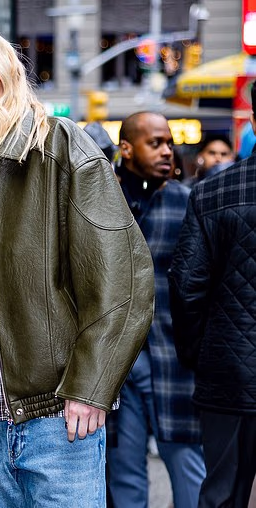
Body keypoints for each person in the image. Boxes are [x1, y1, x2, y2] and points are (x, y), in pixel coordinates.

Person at [0, 24, 155, 507]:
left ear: (6, 72)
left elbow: (124, 278)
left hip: (58, 417)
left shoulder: (61, 146)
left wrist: (90, 387)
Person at [107, 111, 206, 508]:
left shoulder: (188, 200)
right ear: (127, 149)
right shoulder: (102, 199)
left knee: (187, 465)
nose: (167, 151)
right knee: (123, 469)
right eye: (155, 143)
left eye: (169, 143)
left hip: (173, 356)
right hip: (116, 362)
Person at [168, 84, 256, 507]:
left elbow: (187, 286)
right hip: (227, 371)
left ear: (254, 121)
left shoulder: (213, 191)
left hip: (229, 376)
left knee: (222, 493)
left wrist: (199, 355)